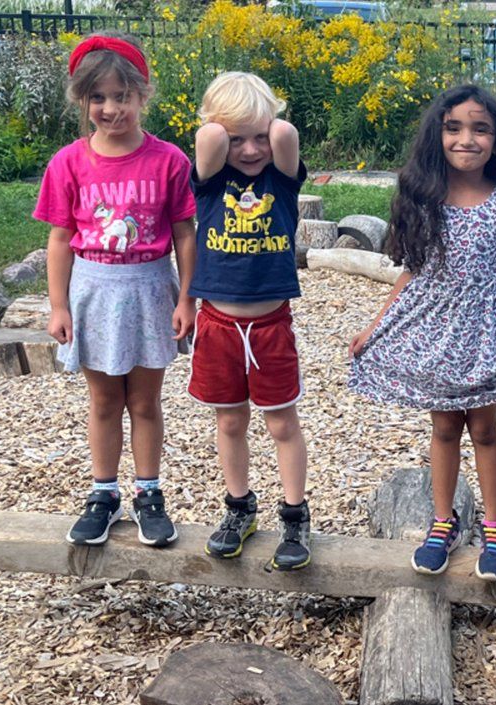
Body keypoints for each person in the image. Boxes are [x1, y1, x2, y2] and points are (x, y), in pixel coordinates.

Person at [348, 84, 496, 582]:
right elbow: (411, 270)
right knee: (444, 428)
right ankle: (442, 522)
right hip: (434, 332)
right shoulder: (423, 194)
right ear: (438, 134)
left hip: (483, 334)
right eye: (455, 128)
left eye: (480, 129)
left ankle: (494, 524)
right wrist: (374, 326)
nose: (467, 139)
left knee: (485, 430)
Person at [35, 32, 196, 547]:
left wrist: (187, 296)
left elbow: (184, 233)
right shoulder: (68, 163)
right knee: (105, 400)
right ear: (82, 100)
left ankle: (148, 494)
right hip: (94, 290)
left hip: (150, 288)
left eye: (122, 96)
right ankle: (103, 494)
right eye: (97, 98)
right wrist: (58, 304)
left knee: (145, 401)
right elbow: (59, 239)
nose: (110, 108)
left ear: (142, 95)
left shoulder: (169, 160)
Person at [188, 72, 311, 572]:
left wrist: (265, 124)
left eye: (257, 135)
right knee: (231, 420)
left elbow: (284, 136)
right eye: (237, 138)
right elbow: (208, 140)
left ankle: (295, 515)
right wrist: (224, 129)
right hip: (217, 323)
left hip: (269, 325)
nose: (250, 148)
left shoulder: (280, 181)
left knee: (281, 422)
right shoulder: (210, 182)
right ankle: (239, 508)